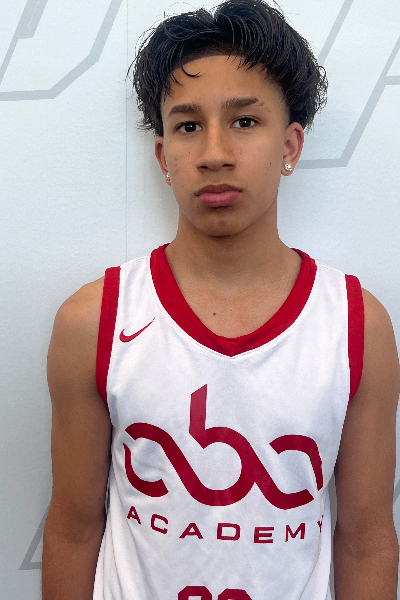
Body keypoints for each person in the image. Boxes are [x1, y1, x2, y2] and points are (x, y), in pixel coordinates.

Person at [42, 0, 400, 598]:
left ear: (290, 146)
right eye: (188, 126)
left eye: (244, 121)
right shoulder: (94, 321)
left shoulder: (356, 325)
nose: (214, 153)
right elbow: (74, 529)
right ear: (163, 157)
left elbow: (366, 540)